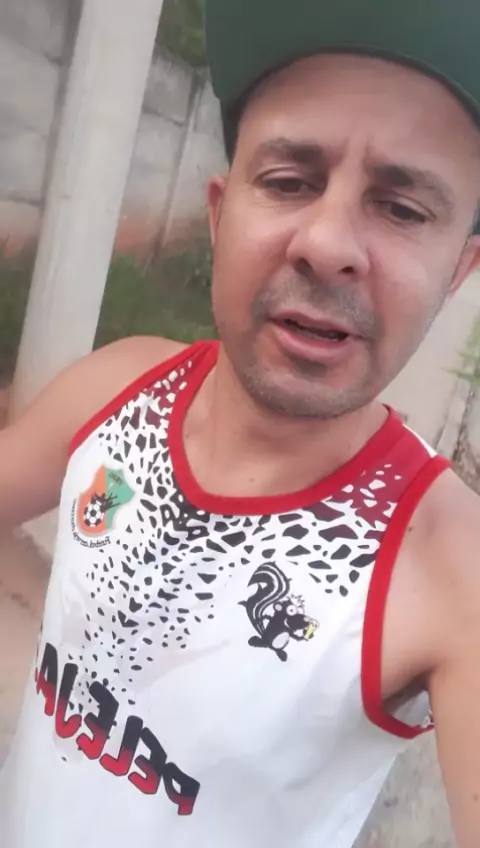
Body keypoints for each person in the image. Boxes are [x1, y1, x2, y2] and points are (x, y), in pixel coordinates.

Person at [1, 0, 480, 845]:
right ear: (222, 216)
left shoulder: (448, 569)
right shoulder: (116, 387)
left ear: (458, 271)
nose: (327, 243)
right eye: (290, 180)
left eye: (403, 208)